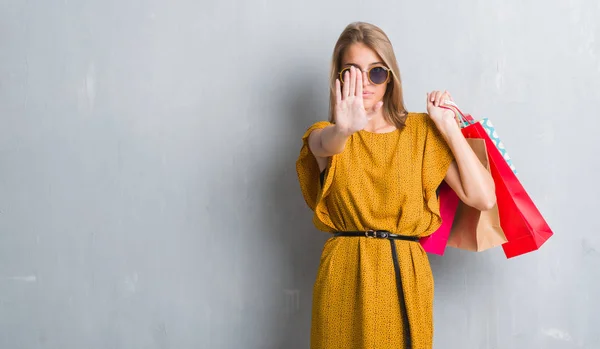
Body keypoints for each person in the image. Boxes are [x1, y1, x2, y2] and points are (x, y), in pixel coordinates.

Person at [296, 22, 496, 349]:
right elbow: (323, 145)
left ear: (390, 78)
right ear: (339, 78)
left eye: (376, 72)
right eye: (353, 72)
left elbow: (483, 197)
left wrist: (448, 128)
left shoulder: (420, 132)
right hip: (345, 273)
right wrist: (344, 130)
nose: (365, 83)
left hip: (404, 271)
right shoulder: (327, 134)